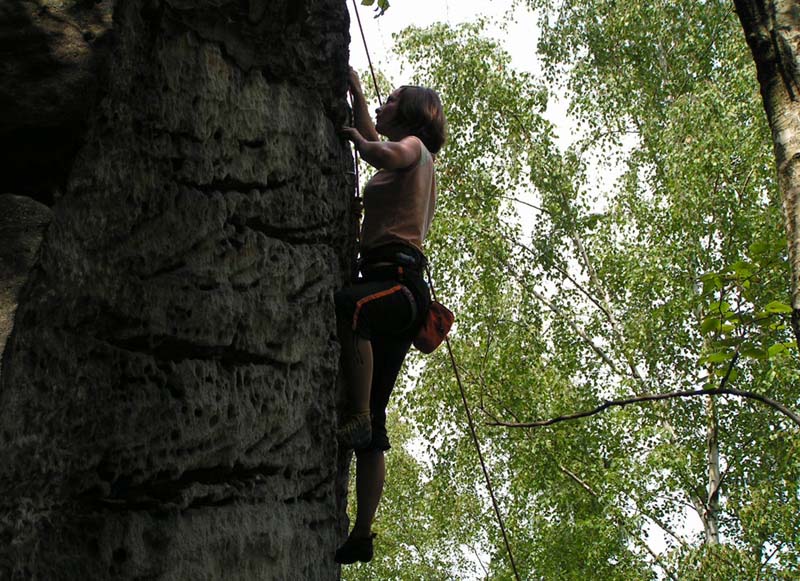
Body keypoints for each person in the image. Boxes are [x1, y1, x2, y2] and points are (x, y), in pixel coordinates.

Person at [334, 68, 446, 564]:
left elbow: (379, 149)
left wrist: (356, 139)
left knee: (348, 307)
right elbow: (379, 143)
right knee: (377, 421)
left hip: (394, 285)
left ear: (410, 116)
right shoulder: (407, 160)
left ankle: (355, 417)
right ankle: (362, 533)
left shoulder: (414, 151)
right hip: (397, 289)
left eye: (390, 100)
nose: (382, 104)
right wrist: (356, 92)